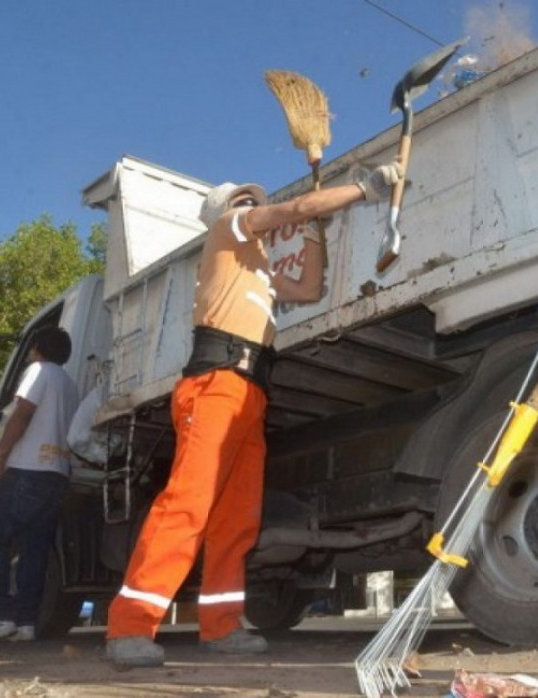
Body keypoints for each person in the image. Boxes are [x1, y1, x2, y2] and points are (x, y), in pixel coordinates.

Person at [104, 162, 403, 667]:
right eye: (242, 200)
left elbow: (309, 288)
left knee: (236, 520)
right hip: (214, 384)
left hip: (249, 392)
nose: (250, 205)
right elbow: (290, 208)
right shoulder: (228, 230)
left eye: (251, 200)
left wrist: (314, 232)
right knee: (187, 507)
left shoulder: (259, 274)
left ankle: (220, 627)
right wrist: (361, 189)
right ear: (228, 212)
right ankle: (129, 626)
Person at [0, 327, 79, 642]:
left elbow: (22, 414)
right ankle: (26, 622)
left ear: (36, 349)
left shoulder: (38, 370)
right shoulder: (70, 385)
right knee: (35, 548)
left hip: (27, 469)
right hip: (57, 473)